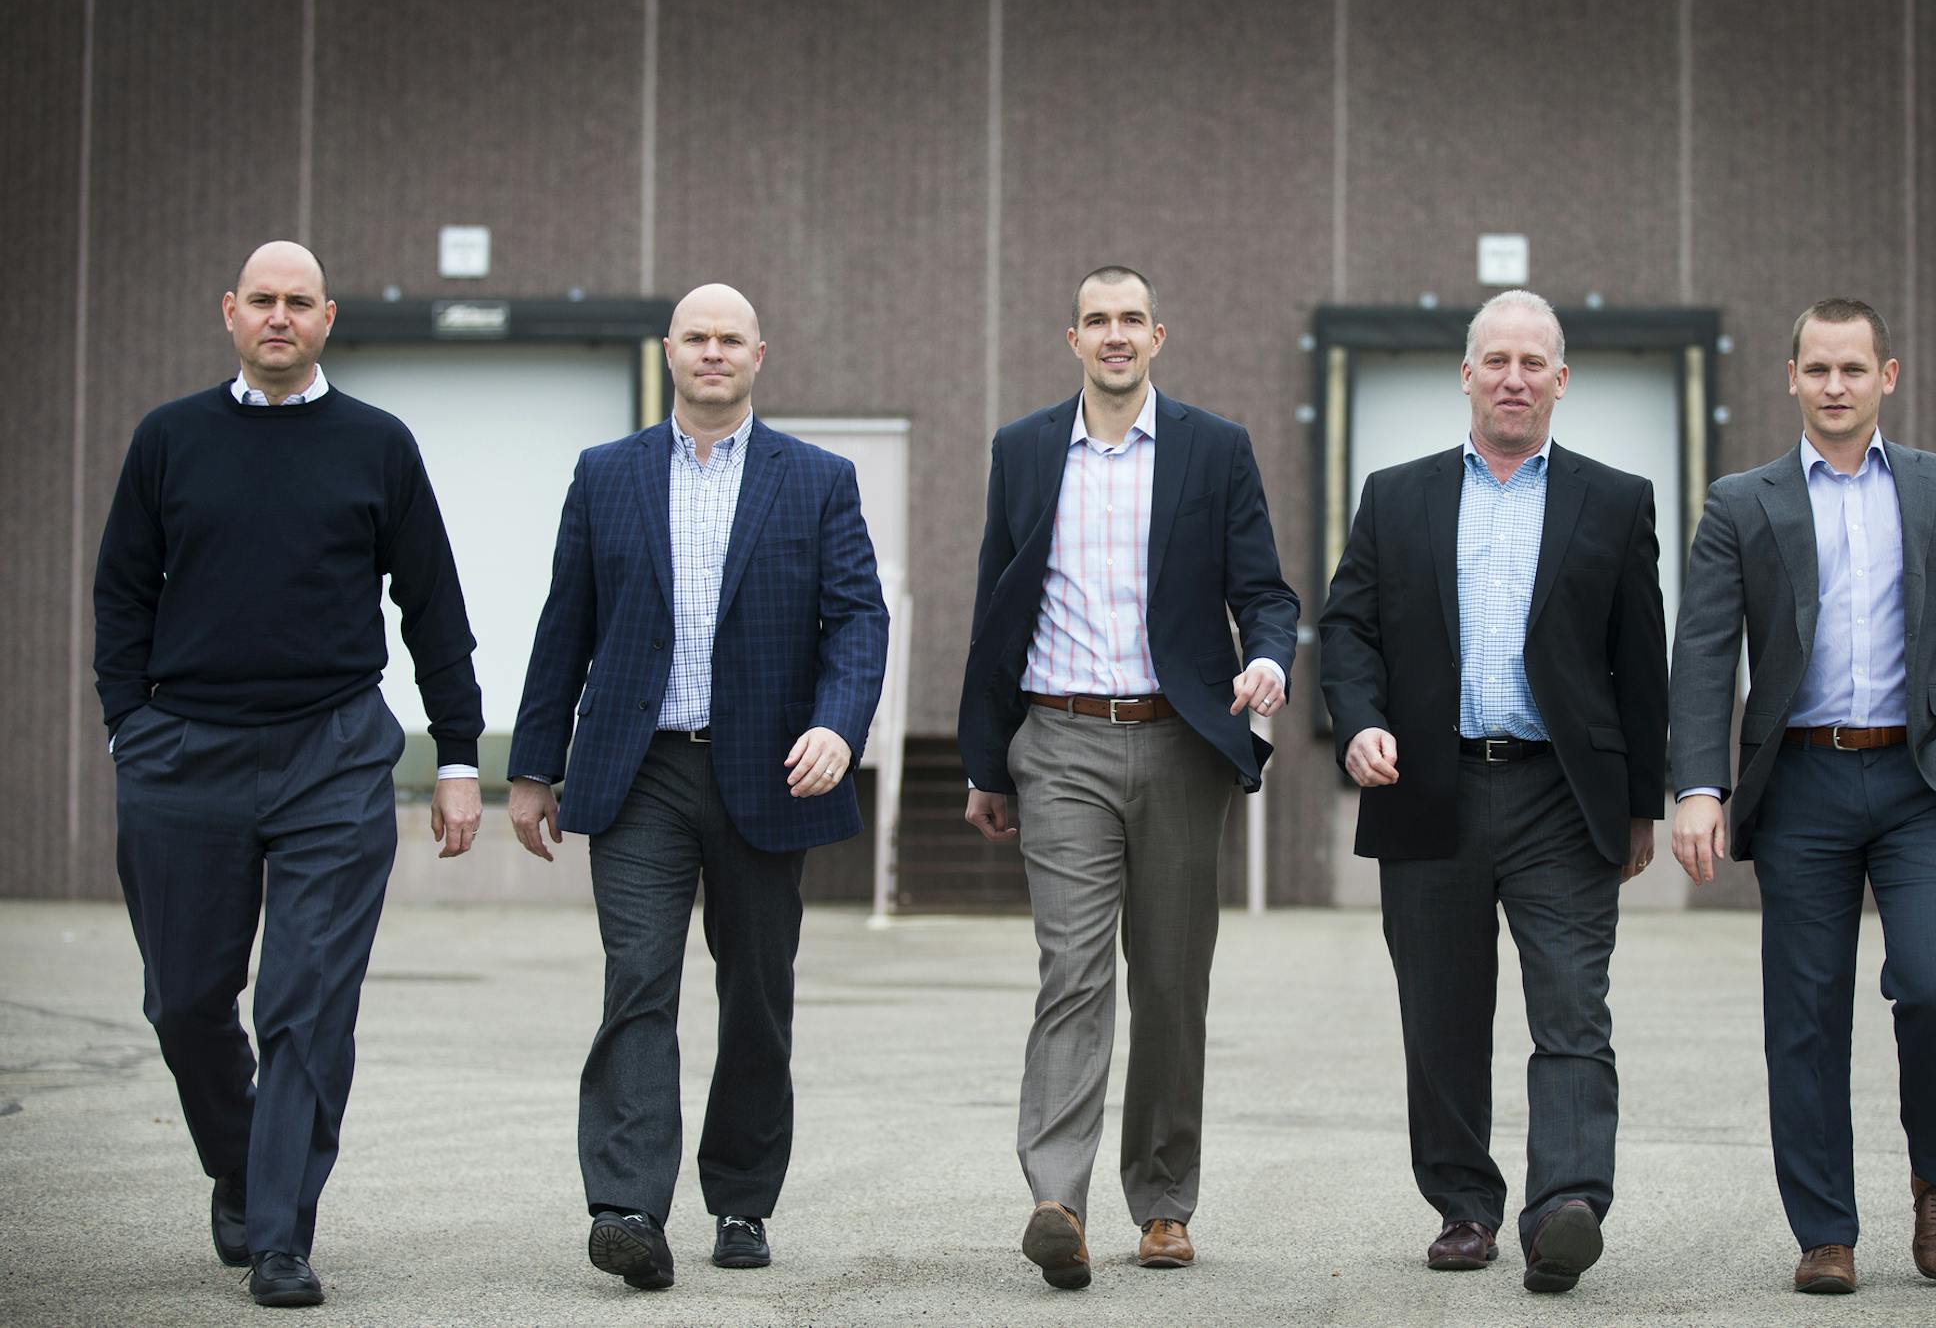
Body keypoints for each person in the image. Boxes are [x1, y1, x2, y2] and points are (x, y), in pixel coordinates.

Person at [92, 240, 486, 1309]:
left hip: (334, 752)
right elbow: (121, 591)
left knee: (306, 1001)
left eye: (296, 302)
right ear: (230, 312)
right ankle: (239, 1161)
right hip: (184, 752)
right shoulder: (169, 439)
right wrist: (130, 724)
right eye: (260, 300)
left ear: (327, 317)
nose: (278, 316)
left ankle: (279, 1232)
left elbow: (435, 609)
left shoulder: (377, 443)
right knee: (183, 999)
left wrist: (457, 755)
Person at [506, 282, 887, 1292]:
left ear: (760, 353)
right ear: (668, 351)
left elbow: (859, 620)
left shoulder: (818, 479)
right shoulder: (607, 474)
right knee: (639, 979)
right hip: (638, 771)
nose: (712, 352)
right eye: (696, 337)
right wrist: (533, 766)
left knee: (756, 992)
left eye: (730, 339)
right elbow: (565, 626)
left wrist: (837, 725)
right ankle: (629, 1202)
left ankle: (742, 1197)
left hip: (770, 770)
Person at [1667, 297, 1936, 1295]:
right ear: (1791, 378)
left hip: (1925, 781)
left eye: (1852, 369)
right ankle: (1825, 1228)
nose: (1834, 386)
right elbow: (1702, 651)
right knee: (1807, 1012)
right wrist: (1699, 783)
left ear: (1887, 376)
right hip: (1805, 786)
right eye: (1817, 369)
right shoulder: (1743, 501)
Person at [1317, 289, 1666, 1295]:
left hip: (1564, 796)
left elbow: (1640, 661)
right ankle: (1464, 1206)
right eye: (1496, 359)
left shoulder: (1615, 498)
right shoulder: (1396, 495)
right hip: (1431, 785)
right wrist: (1362, 718)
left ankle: (1565, 1205)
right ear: (1465, 375)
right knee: (1441, 1013)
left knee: (1571, 1007)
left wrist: (1642, 799)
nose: (1514, 376)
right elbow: (1348, 630)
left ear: (1562, 379)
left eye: (1533, 361)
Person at [958, 265, 1299, 1289]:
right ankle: (1057, 1196)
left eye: (1130, 321)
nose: (1114, 336)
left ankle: (1161, 1201)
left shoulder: (1214, 448)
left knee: (1170, 978)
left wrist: (1270, 662)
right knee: (1075, 968)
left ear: (1160, 334)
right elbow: (994, 605)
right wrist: (988, 758)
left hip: (1181, 743)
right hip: (1058, 741)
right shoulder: (1022, 451)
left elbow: (1265, 592)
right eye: (1096, 321)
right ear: (1073, 338)